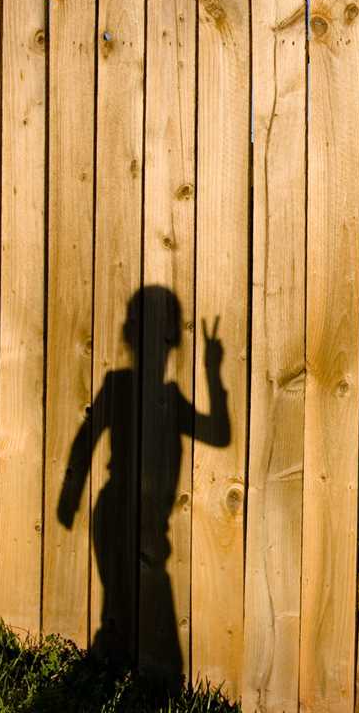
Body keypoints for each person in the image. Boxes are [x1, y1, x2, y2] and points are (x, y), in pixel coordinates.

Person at [56, 285, 230, 678]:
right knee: (118, 601)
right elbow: (87, 438)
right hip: (116, 509)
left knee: (130, 603)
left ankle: (110, 672)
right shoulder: (118, 384)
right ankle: (106, 671)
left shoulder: (169, 398)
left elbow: (217, 433)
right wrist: (69, 496)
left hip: (148, 522)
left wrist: (213, 372)